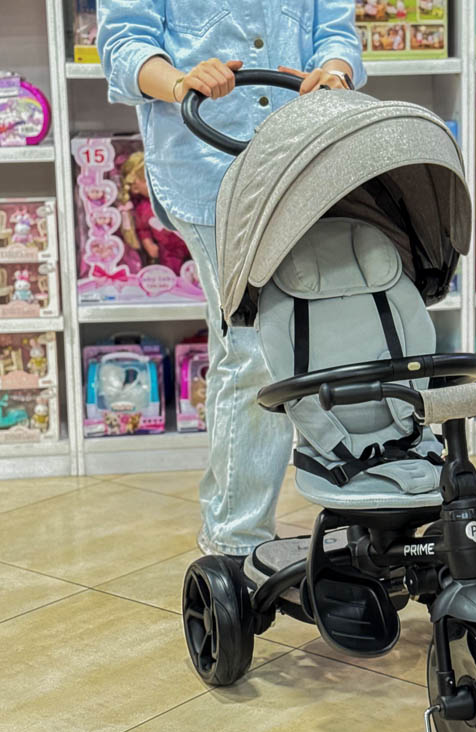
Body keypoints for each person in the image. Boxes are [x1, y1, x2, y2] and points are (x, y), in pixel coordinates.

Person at [97, 1, 366, 557]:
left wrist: (334, 73)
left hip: (301, 160)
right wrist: (180, 81)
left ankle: (282, 517)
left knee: (294, 341)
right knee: (254, 350)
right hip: (206, 169)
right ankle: (237, 542)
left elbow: (336, 34)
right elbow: (122, 46)